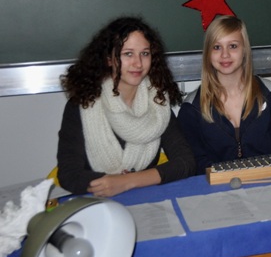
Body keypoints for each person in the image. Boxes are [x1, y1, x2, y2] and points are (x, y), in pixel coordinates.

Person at [56, 16, 195, 197]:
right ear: (109, 59)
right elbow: (69, 175)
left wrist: (127, 182)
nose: (138, 63)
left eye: (145, 53)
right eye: (128, 54)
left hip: (146, 199)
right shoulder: (82, 104)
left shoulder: (158, 102)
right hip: (97, 203)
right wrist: (110, 183)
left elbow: (186, 162)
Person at [178, 15, 271, 174]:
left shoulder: (270, 94)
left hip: (269, 183)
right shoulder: (191, 108)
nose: (225, 55)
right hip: (217, 187)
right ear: (208, 53)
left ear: (245, 50)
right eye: (216, 47)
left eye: (233, 46)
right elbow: (195, 164)